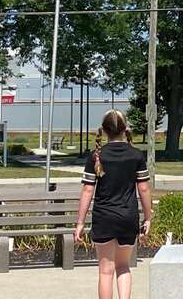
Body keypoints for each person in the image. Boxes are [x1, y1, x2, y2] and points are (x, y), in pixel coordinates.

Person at [75, 110, 153, 299]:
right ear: (125, 129)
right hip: (128, 217)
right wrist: (148, 217)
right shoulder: (136, 156)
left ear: (104, 130)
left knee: (105, 271)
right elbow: (143, 189)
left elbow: (87, 191)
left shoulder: (96, 157)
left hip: (104, 218)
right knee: (124, 267)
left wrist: (79, 223)